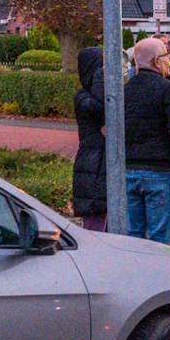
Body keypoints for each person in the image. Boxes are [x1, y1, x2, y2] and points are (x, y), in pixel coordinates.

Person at [122, 36, 170, 244]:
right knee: (160, 241)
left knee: (133, 239)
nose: (169, 60)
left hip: (129, 171)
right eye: (166, 56)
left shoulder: (124, 91)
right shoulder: (168, 89)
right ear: (156, 61)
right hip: (161, 171)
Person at [71, 46, 108, 232]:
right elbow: (98, 107)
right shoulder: (82, 97)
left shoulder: (100, 93)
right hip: (92, 166)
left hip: (100, 165)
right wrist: (101, 76)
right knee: (96, 225)